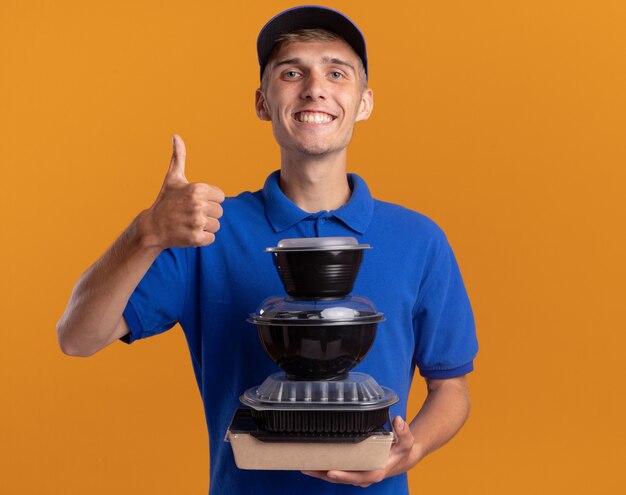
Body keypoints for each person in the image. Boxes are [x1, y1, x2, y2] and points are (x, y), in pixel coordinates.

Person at [57, 5, 478, 494]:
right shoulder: (204, 230)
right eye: (291, 72)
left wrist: (412, 448)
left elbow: (452, 388)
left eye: (336, 72)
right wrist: (144, 232)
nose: (314, 87)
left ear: (363, 102)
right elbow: (77, 338)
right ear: (263, 102)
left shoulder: (419, 239)